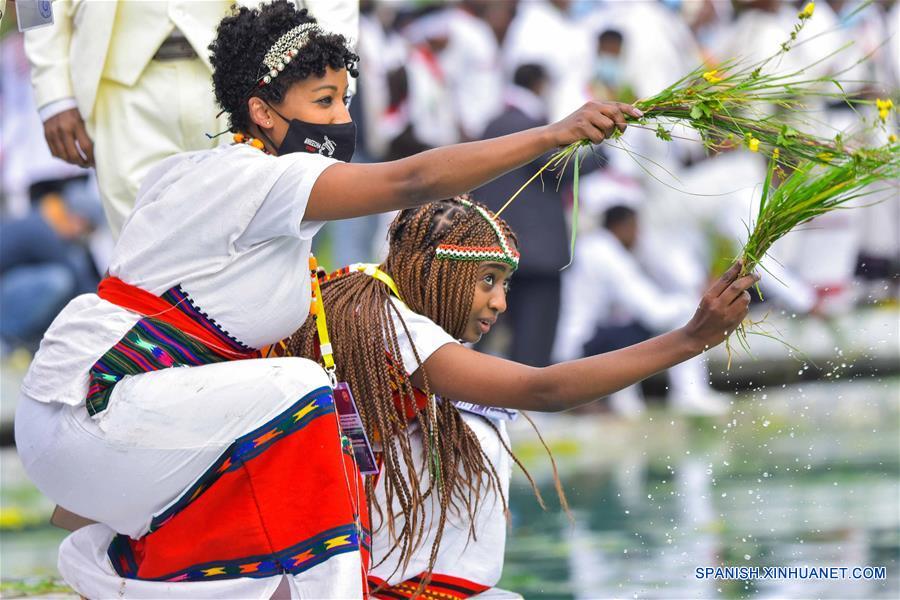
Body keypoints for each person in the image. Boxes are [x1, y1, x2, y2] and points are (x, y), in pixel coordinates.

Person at [14, 2, 641, 598]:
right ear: (261, 111)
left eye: (345, 100)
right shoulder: (255, 176)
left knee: (301, 398)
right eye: (323, 102)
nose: (343, 120)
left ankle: (142, 562)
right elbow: (412, 179)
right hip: (91, 405)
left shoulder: (201, 174)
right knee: (299, 387)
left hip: (81, 422)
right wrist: (554, 135)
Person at [288, 196, 758, 596]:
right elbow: (545, 389)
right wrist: (691, 338)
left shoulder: (371, 306)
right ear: (435, 271)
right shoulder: (391, 325)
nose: (500, 302)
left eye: (505, 283)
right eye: (487, 279)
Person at [24, 0, 357, 236]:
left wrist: (331, 75)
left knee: (255, 241)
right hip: (120, 85)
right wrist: (53, 93)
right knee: (139, 256)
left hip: (246, 80)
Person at [474, 63, 568, 367]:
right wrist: (605, 141)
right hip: (536, 251)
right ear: (539, 85)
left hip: (497, 244)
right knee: (534, 336)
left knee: (482, 329)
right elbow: (564, 166)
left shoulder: (493, 124)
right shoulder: (532, 128)